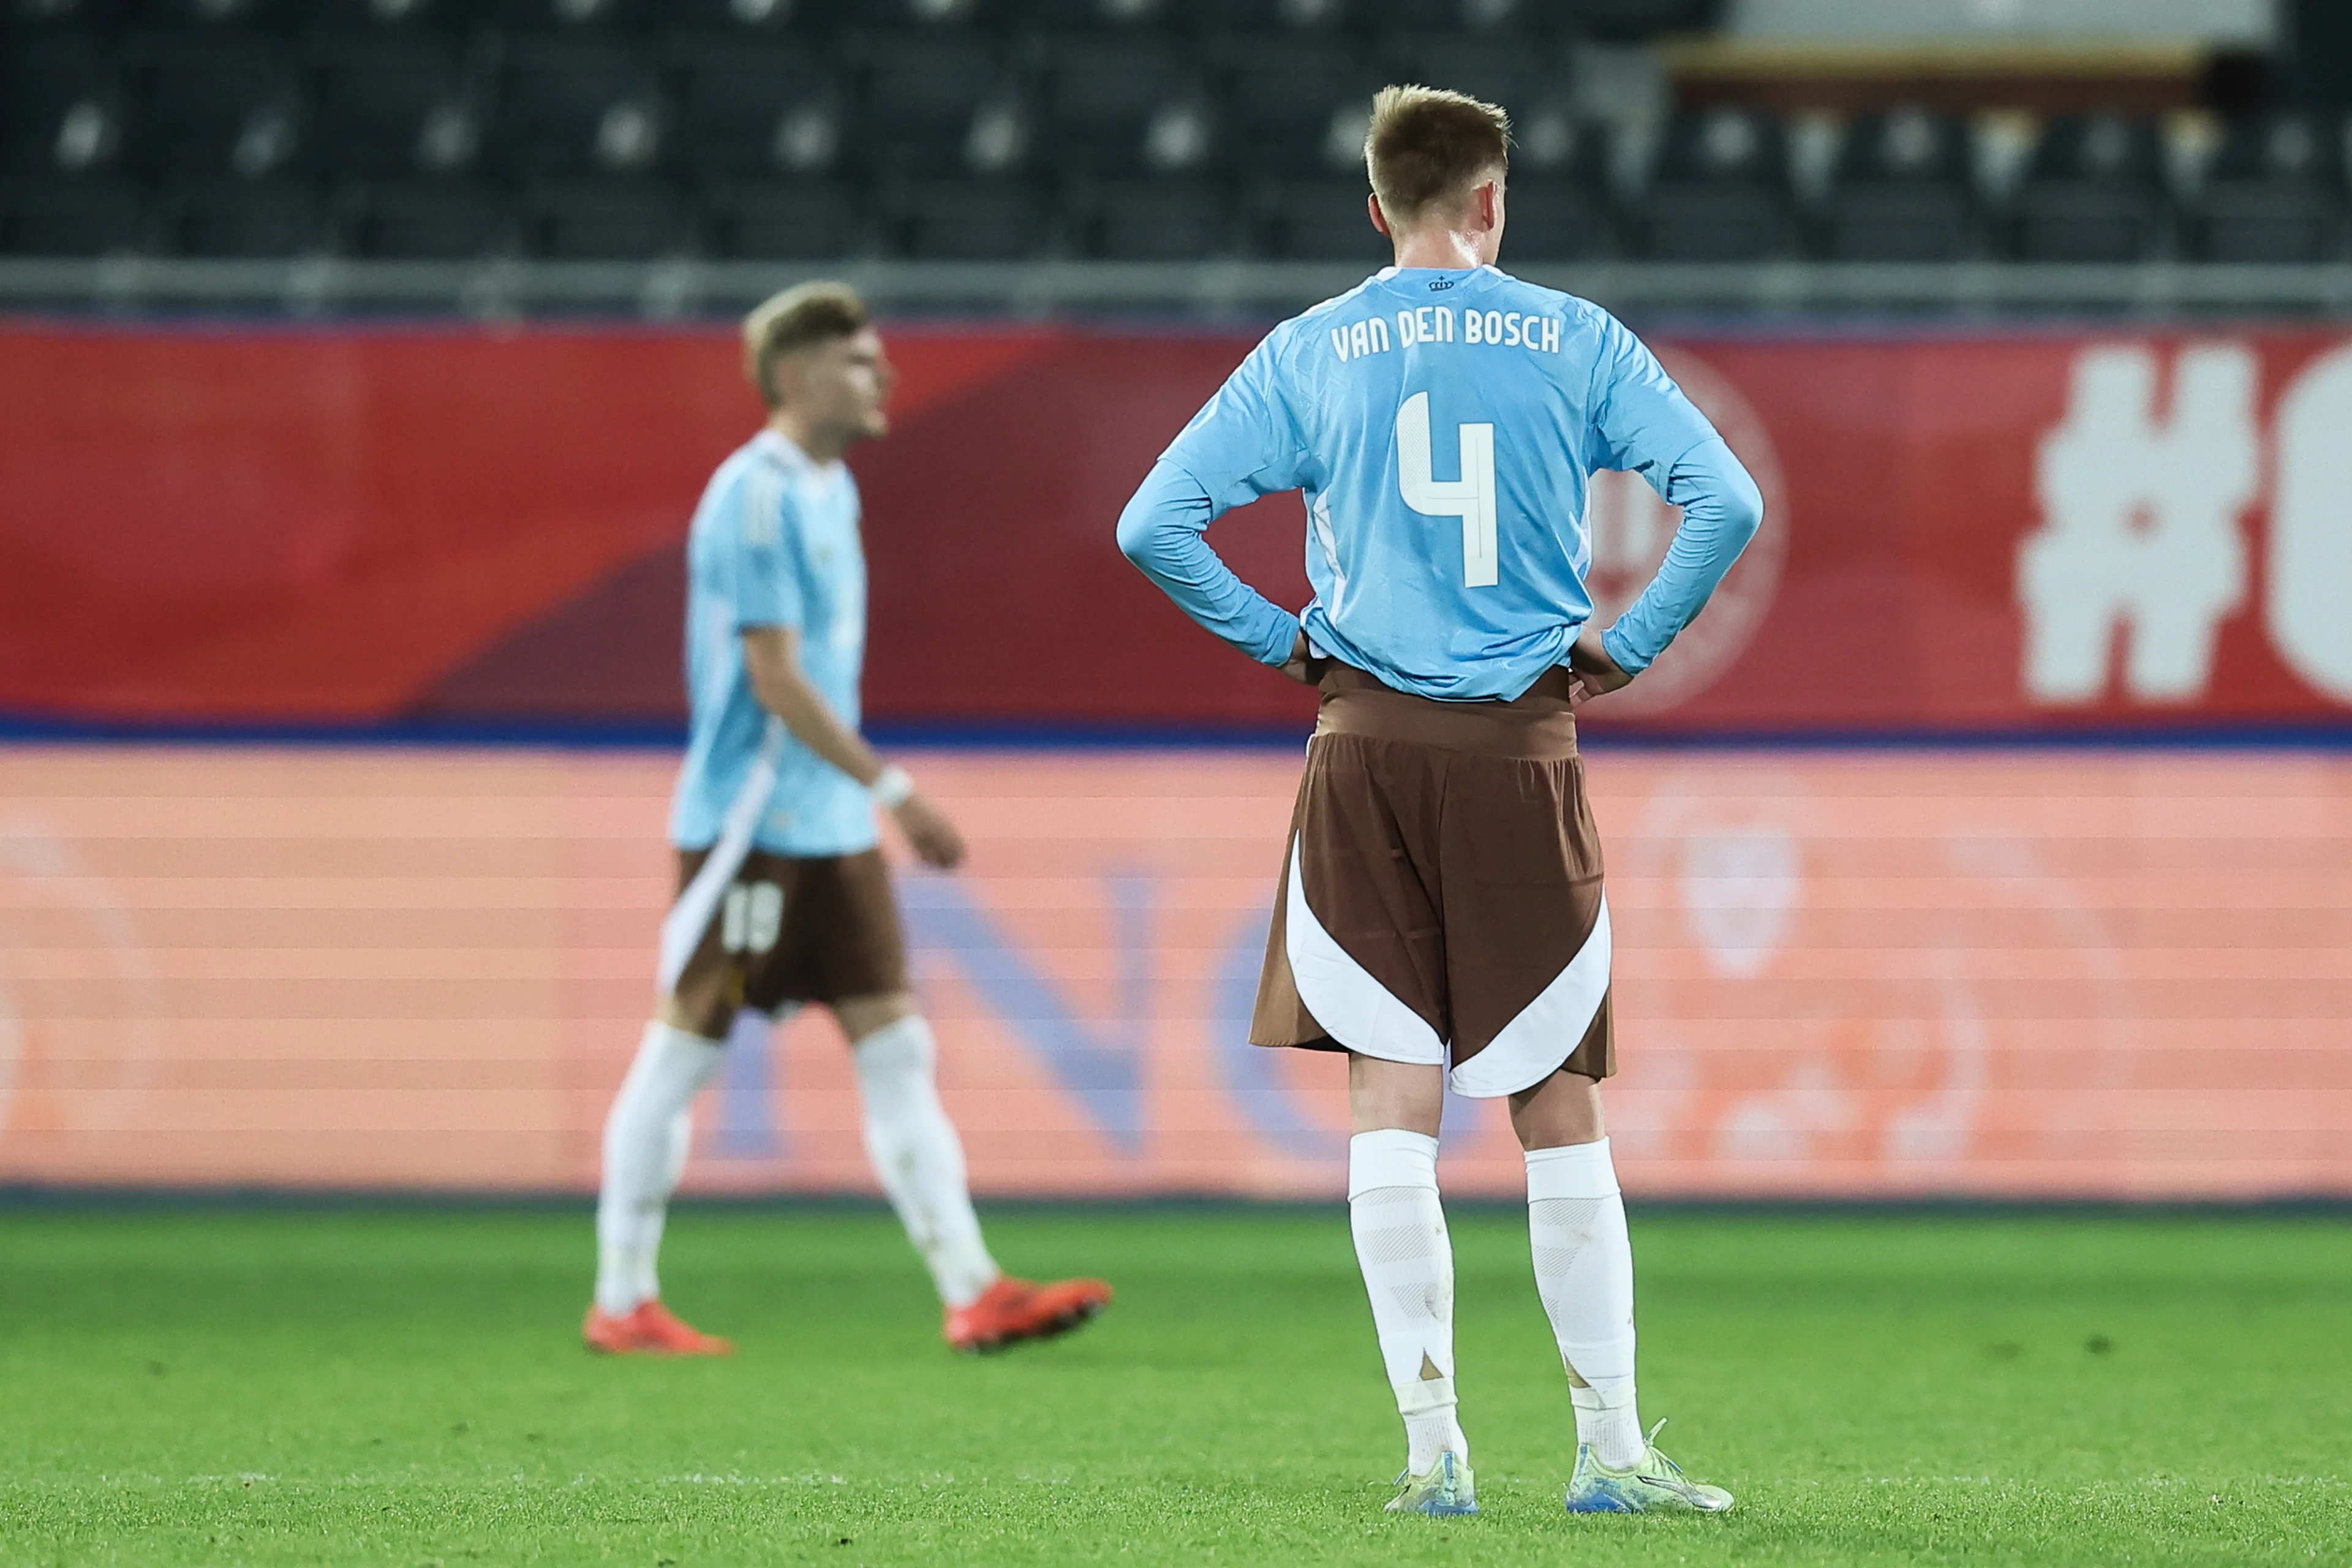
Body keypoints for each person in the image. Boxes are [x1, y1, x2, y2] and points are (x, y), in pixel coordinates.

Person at [1117, 86, 1761, 1518]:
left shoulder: (1309, 349)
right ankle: (1608, 1452)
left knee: (1388, 1101)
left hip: (1361, 749)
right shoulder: (1572, 337)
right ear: (1492, 201)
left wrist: (1283, 636)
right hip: (1520, 746)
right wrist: (1628, 642)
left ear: (1376, 207)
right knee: (1556, 1099)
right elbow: (1727, 501)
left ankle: (1435, 1457)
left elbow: (1151, 521)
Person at [586, 281, 1112, 1357]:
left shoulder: (829, 491)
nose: (885, 377)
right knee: (685, 1050)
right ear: (794, 375)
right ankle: (623, 1299)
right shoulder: (756, 496)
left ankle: (973, 1289)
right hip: (752, 830)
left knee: (898, 1048)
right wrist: (894, 788)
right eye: (860, 361)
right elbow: (774, 681)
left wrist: (861, 802)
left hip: (828, 832)